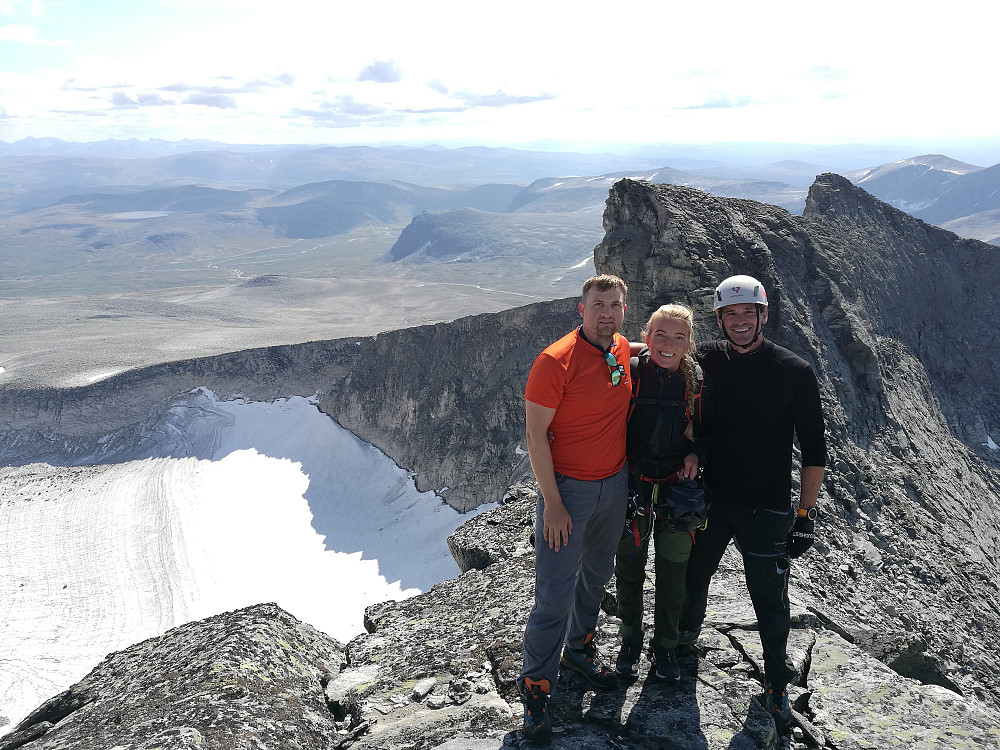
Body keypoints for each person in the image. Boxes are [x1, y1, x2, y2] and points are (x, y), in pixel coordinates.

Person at [677, 274, 826, 730]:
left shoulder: (794, 371)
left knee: (768, 597)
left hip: (767, 507)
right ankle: (681, 647)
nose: (739, 322)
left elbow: (815, 450)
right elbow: (663, 358)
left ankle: (777, 682)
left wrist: (804, 515)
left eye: (747, 313)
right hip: (715, 498)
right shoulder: (705, 359)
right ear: (719, 319)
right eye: (730, 314)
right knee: (693, 575)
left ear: (763, 314)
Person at [518, 274, 632, 744]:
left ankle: (579, 651)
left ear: (624, 309)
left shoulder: (622, 348)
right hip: (570, 491)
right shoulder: (554, 361)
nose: (606, 313)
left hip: (615, 482)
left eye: (615, 305)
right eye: (598, 304)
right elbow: (534, 435)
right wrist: (552, 503)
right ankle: (537, 690)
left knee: (596, 575)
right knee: (554, 595)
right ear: (580, 310)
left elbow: (631, 352)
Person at [614, 304, 704, 683]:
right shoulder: (630, 372)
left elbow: (707, 429)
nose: (668, 344)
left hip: (674, 490)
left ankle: (664, 646)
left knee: (673, 574)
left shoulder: (695, 380)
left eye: (678, 337)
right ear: (646, 337)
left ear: (688, 343)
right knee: (629, 569)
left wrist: (698, 454)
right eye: (660, 335)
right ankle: (630, 638)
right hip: (633, 485)